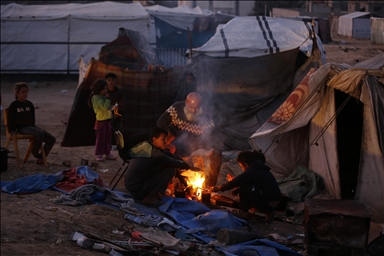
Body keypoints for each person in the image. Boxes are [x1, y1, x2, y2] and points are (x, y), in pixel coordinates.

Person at [157, 92, 222, 187]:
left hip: (199, 147)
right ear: (186, 103)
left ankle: (210, 187)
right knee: (164, 153)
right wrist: (168, 142)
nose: (194, 111)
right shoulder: (177, 108)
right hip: (178, 146)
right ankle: (168, 185)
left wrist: (205, 148)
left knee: (217, 153)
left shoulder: (207, 114)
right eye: (191, 107)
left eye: (197, 108)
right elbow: (160, 124)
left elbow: (212, 135)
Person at [124, 127, 191, 206]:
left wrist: (183, 161)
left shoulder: (148, 145)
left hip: (132, 185)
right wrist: (189, 167)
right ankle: (150, 198)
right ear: (154, 139)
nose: (166, 142)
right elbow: (172, 161)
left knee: (165, 168)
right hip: (137, 189)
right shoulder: (155, 154)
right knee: (170, 170)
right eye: (163, 139)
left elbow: (169, 155)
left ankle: (154, 193)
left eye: (166, 139)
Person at [212, 150, 281, 223]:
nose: (242, 169)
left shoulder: (252, 172)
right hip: (275, 202)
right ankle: (269, 212)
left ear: (246, 165)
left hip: (267, 204)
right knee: (244, 185)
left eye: (241, 166)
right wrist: (238, 190)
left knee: (243, 185)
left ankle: (244, 212)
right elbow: (255, 185)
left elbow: (235, 182)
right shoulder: (261, 169)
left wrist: (218, 188)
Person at [7, 82, 56, 165]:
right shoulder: (14, 105)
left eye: (26, 92)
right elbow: (10, 119)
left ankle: (41, 158)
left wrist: (33, 130)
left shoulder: (29, 104)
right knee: (39, 133)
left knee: (52, 139)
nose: (25, 94)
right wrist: (12, 130)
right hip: (21, 128)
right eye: (23, 92)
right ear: (17, 93)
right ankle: (35, 152)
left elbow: (32, 119)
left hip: (31, 127)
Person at [88, 79, 117, 162]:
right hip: (101, 121)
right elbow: (104, 107)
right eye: (104, 89)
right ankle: (99, 154)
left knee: (108, 138)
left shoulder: (102, 97)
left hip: (107, 120)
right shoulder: (96, 98)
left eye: (106, 89)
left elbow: (107, 107)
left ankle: (107, 153)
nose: (105, 90)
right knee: (100, 139)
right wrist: (107, 99)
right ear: (98, 89)